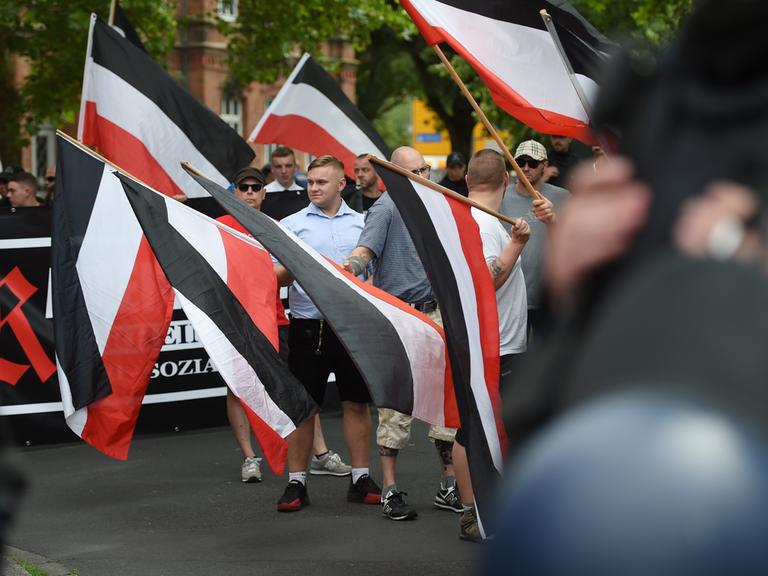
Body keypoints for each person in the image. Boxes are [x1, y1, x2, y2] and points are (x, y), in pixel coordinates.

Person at [344, 146, 459, 521]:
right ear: (396, 175)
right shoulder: (386, 208)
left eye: (426, 169)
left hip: (436, 315)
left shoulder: (435, 205)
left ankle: (449, 484)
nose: (426, 176)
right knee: (396, 407)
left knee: (444, 403)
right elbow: (365, 250)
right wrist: (351, 266)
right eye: (418, 171)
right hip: (401, 318)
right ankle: (390, 490)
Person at [218, 166, 352, 482]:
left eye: (256, 187)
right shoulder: (217, 226)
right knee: (238, 388)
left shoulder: (278, 227)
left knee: (298, 388)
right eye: (244, 187)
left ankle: (319, 454)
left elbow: (289, 275)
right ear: (234, 191)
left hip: (273, 317)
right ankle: (249, 458)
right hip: (233, 318)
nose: (250, 193)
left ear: (264, 193)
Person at [274, 155, 381, 512]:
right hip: (309, 327)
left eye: (321, 182)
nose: (313, 188)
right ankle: (296, 482)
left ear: (341, 184)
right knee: (303, 408)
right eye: (310, 182)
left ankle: (360, 477)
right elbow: (276, 278)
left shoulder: (363, 224)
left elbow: (375, 276)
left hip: (353, 325)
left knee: (356, 402)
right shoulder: (292, 224)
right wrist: (296, 265)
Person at [453, 149, 530, 542]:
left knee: (486, 427)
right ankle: (471, 512)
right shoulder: (483, 222)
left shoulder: (476, 217)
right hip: (492, 344)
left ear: (467, 180)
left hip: (495, 341)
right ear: (505, 180)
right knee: (474, 430)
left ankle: (486, 507)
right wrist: (517, 244)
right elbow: (485, 279)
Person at [501, 140, 568, 342]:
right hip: (511, 296)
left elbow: (576, 243)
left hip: (548, 297)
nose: (525, 168)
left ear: (545, 165)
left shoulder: (563, 197)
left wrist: (554, 221)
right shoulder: (501, 197)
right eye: (520, 162)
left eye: (532, 162)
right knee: (514, 358)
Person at [261, 147, 309, 220]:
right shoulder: (263, 194)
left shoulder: (304, 194)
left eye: (288, 166)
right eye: (278, 167)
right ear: (272, 169)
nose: (284, 171)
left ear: (295, 167)